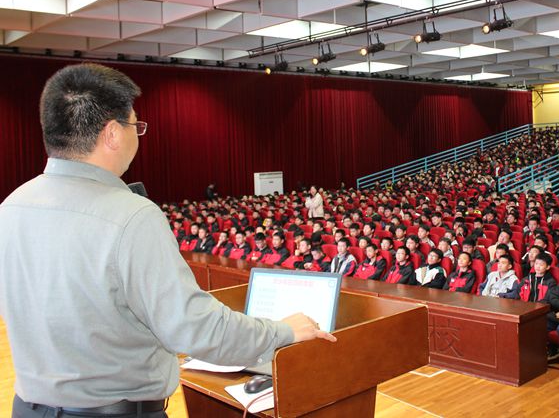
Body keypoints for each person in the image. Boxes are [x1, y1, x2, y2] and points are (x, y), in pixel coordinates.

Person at [0, 63, 333, 418]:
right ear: (112, 133)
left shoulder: (11, 208)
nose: (138, 135)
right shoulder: (130, 216)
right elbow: (194, 328)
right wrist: (283, 331)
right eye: (135, 125)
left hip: (28, 408)